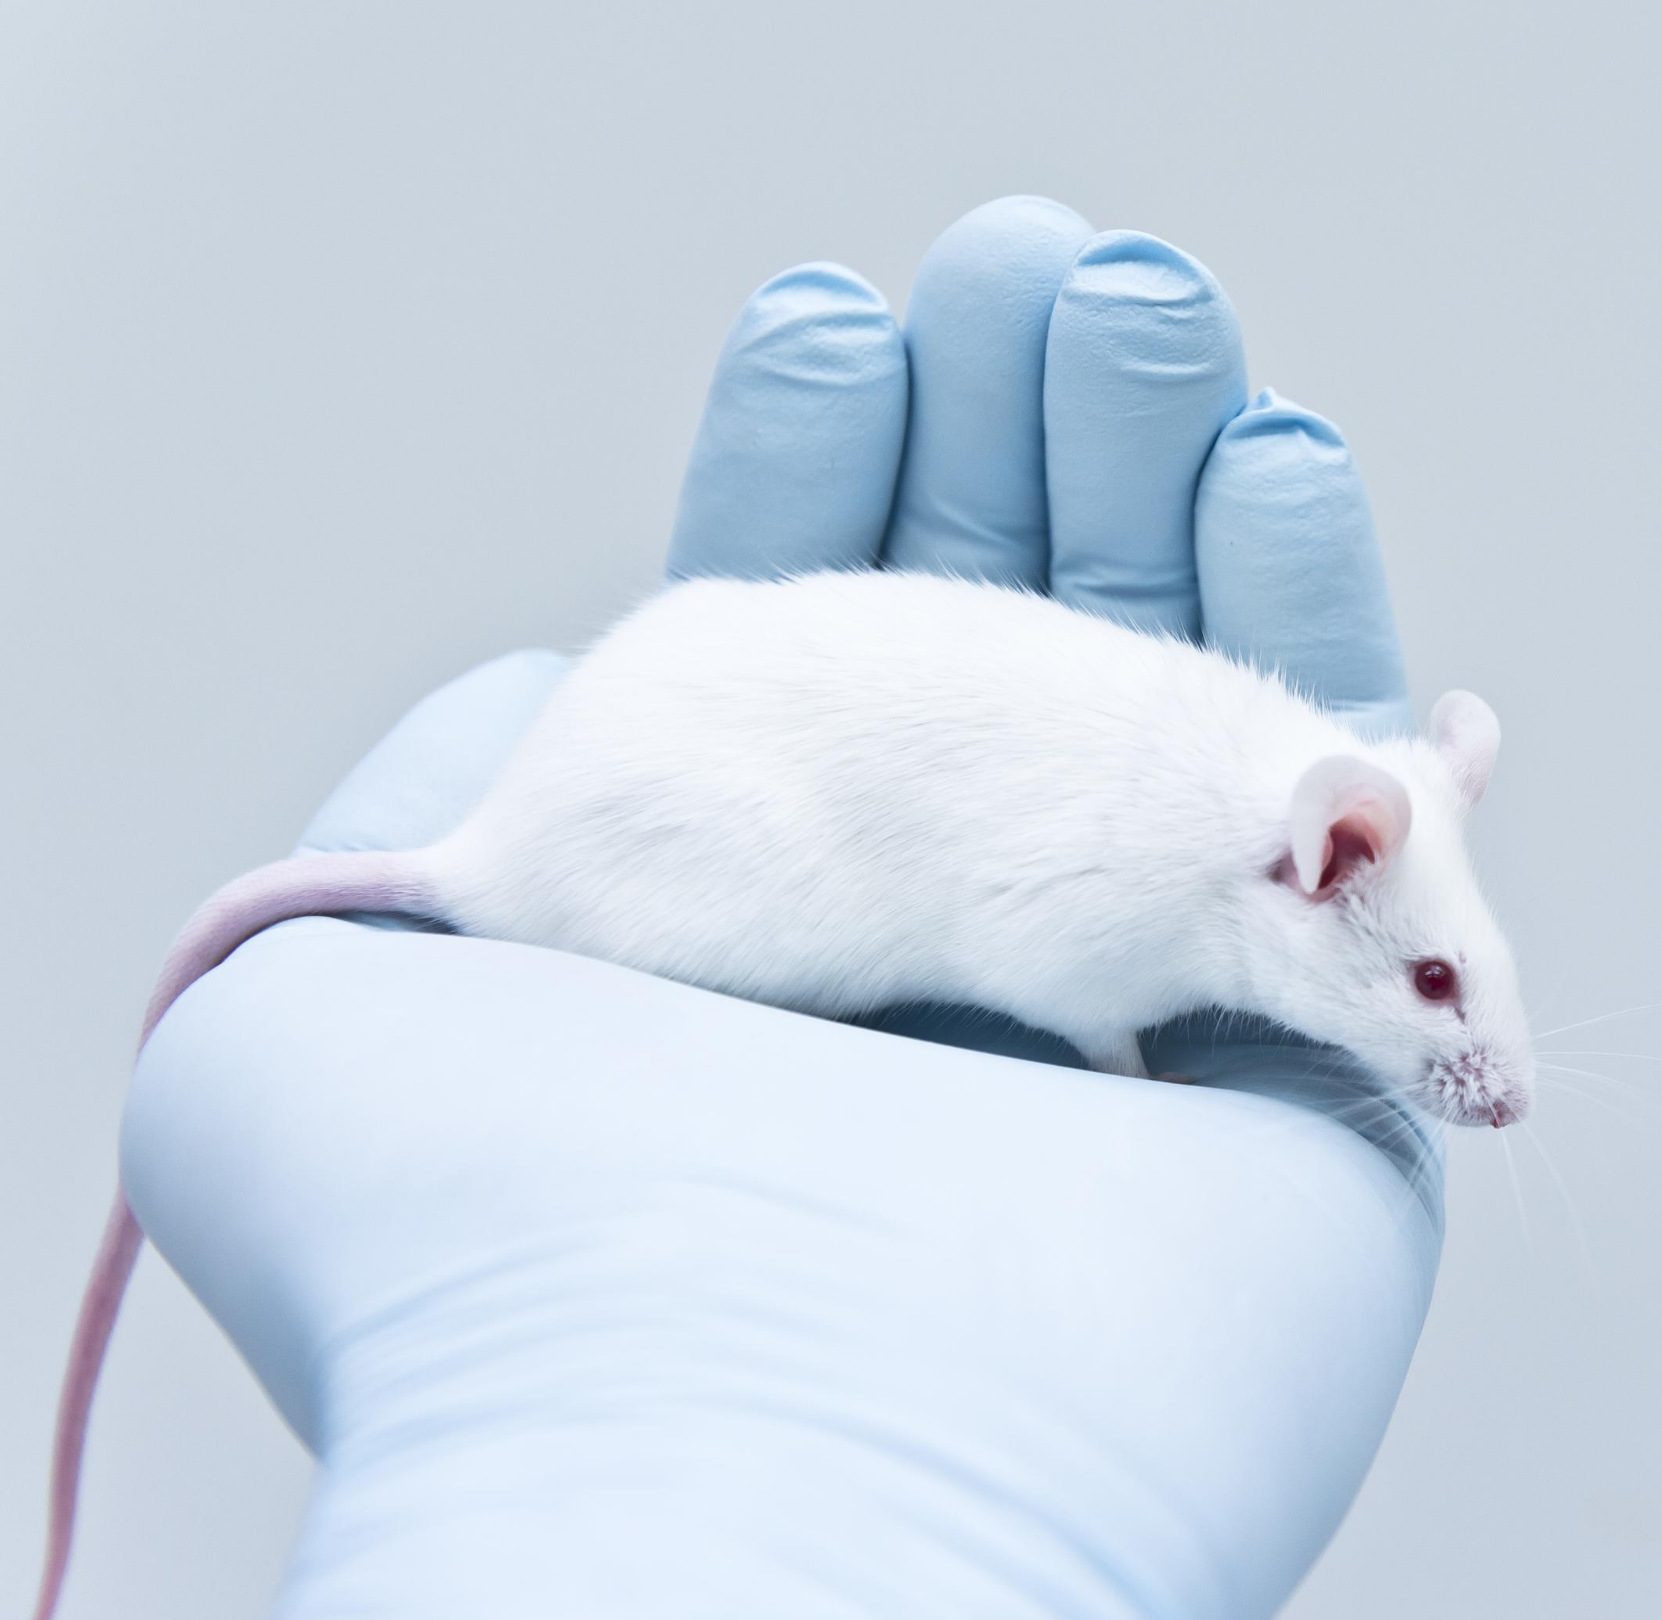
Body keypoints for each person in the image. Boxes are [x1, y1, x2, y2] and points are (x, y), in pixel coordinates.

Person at [110, 195, 1444, 1618]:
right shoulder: (1208, 865)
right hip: (665, 835)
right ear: (1318, 867)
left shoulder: (1221, 813)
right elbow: (1027, 942)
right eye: (1434, 986)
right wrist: (1115, 1050)